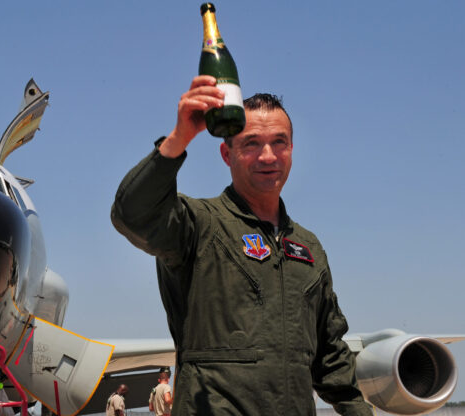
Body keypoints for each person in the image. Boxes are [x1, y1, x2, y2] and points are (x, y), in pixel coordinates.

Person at [111, 75, 372, 415]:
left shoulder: (307, 248)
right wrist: (179, 139)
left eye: (279, 142)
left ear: (292, 150)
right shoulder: (197, 226)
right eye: (251, 144)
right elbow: (132, 214)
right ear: (226, 153)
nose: (268, 156)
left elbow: (331, 357)